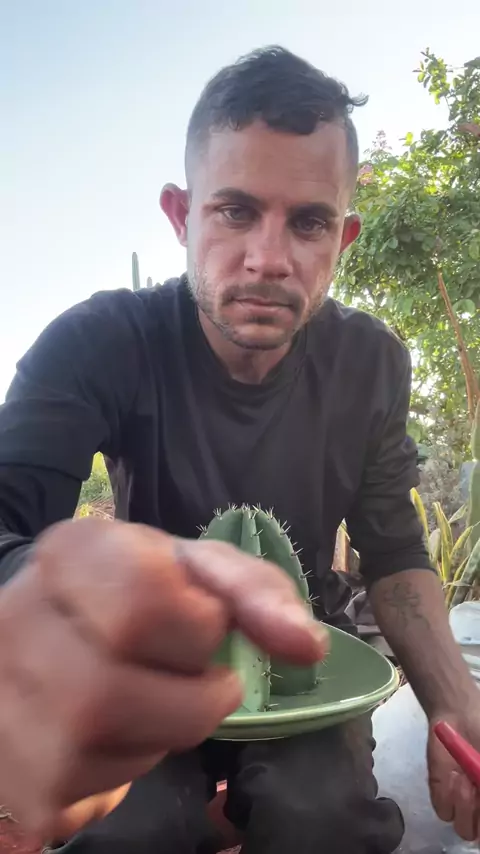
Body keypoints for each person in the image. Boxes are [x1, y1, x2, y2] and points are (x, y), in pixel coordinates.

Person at [0, 45, 478, 854]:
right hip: (143, 658)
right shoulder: (97, 342)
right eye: (235, 211)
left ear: (344, 237)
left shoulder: (371, 363)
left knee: (321, 820)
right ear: (181, 216)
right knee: (126, 832)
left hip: (306, 666)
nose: (269, 258)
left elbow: (396, 553)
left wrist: (455, 705)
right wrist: (54, 597)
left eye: (309, 222)